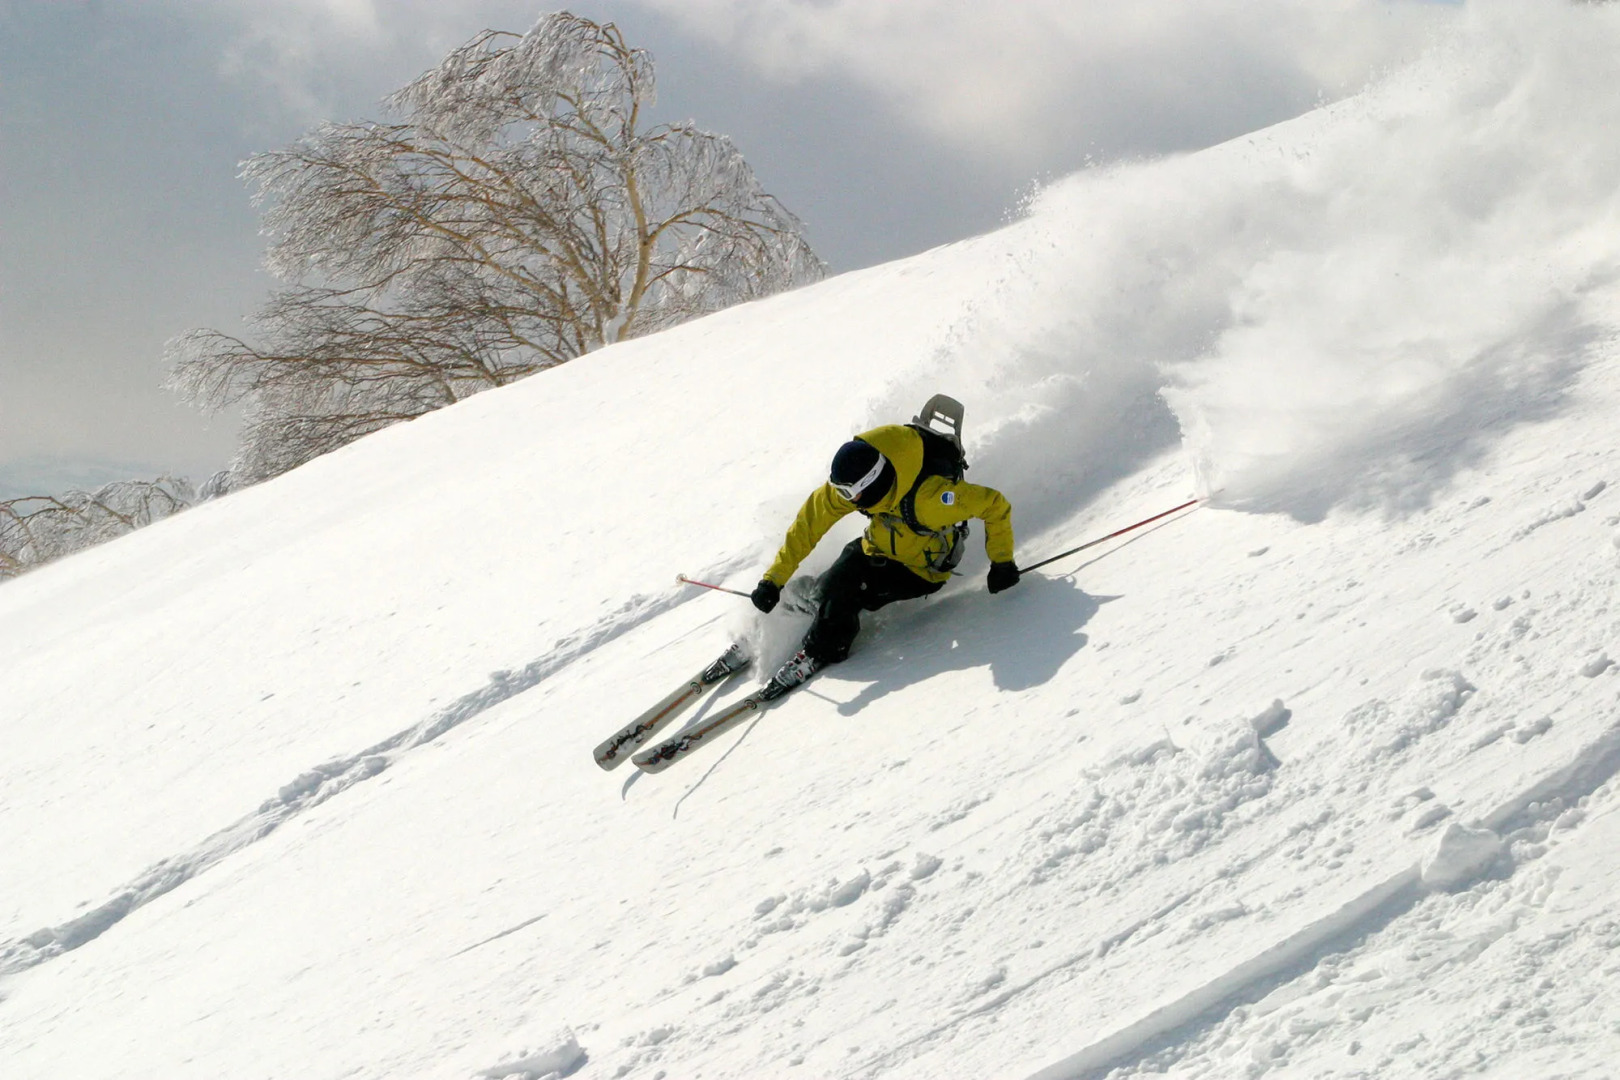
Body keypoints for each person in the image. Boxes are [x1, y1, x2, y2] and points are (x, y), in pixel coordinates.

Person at [750, 421, 1020, 697]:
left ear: (872, 483)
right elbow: (807, 527)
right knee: (837, 574)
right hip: (877, 547)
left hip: (918, 570)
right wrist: (773, 581)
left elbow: (993, 504)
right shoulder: (857, 488)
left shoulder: (932, 500)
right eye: (839, 490)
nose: (842, 498)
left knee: (846, 586)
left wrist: (1002, 563)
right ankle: (801, 609)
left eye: (847, 493)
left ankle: (823, 649)